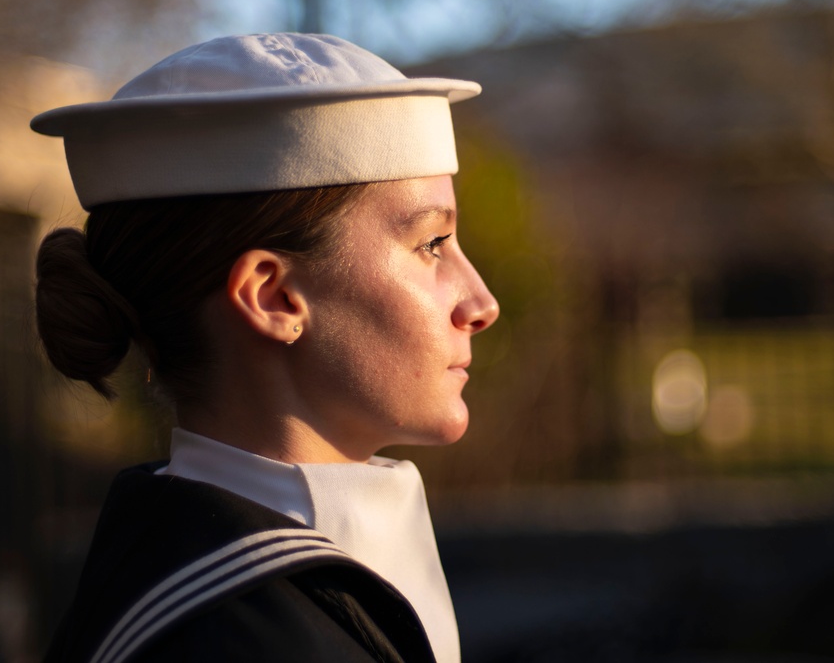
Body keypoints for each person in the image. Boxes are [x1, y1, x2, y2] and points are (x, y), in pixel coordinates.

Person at [33, 33, 499, 663]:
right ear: (273, 296)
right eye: (432, 245)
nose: (480, 302)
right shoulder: (229, 638)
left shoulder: (188, 576)